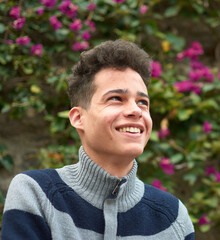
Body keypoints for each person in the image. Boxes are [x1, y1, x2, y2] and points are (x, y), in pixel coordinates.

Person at [1, 40, 195, 240]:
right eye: (116, 98)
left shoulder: (174, 218)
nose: (136, 111)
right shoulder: (36, 194)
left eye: (142, 102)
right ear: (78, 118)